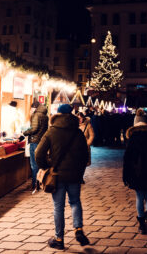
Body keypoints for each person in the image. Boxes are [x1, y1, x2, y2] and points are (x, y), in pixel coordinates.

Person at [35, 104, 90, 249]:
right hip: (74, 175)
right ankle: (78, 228)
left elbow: (38, 153)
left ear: (58, 114)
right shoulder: (77, 132)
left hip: (56, 175)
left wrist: (46, 167)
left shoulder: (52, 131)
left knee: (58, 207)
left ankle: (59, 239)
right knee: (75, 202)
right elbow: (85, 155)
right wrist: (79, 171)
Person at [123, 109, 147, 235]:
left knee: (139, 197)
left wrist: (125, 175)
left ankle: (141, 225)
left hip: (136, 173)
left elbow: (127, 159)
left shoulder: (132, 139)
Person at [23, 101, 48, 193]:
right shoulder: (45, 115)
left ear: (34, 107)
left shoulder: (36, 115)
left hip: (34, 141)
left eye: (31, 108)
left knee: (34, 165)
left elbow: (34, 128)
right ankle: (39, 183)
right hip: (41, 141)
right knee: (39, 163)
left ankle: (34, 185)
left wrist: (24, 132)